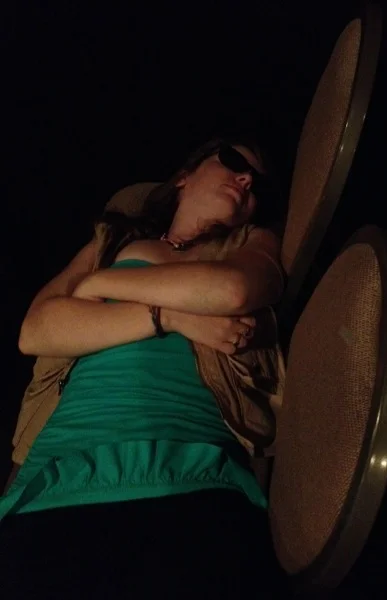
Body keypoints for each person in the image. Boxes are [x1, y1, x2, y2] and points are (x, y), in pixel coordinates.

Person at [0, 137, 290, 598]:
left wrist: (101, 285)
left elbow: (232, 290)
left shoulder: (252, 241)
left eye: (258, 185)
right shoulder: (112, 241)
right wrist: (171, 317)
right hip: (61, 476)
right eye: (234, 162)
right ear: (184, 177)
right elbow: (36, 330)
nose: (246, 179)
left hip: (192, 474)